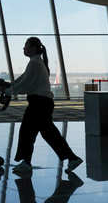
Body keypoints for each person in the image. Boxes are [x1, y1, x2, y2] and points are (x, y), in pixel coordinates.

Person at [7, 37, 82, 176]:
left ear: (34, 48)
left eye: (26, 46)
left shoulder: (35, 63)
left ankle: (27, 163)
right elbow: (22, 80)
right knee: (47, 133)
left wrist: (8, 91)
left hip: (39, 103)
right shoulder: (35, 63)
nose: (24, 48)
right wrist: (10, 88)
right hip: (42, 103)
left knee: (28, 132)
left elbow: (25, 84)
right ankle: (72, 158)